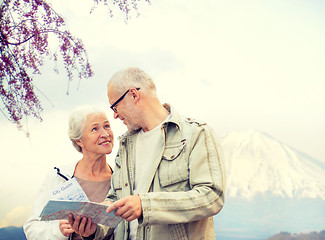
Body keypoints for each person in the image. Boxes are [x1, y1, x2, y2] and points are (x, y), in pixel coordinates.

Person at [69, 67, 226, 240]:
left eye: (115, 106)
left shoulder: (196, 134)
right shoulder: (125, 145)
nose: (114, 115)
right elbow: (115, 200)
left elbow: (212, 196)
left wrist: (146, 205)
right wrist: (93, 229)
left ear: (134, 95)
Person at [24, 105, 114, 240]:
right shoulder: (58, 177)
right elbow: (31, 228)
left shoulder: (120, 179)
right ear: (79, 140)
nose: (105, 134)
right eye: (95, 129)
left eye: (107, 126)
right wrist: (59, 231)